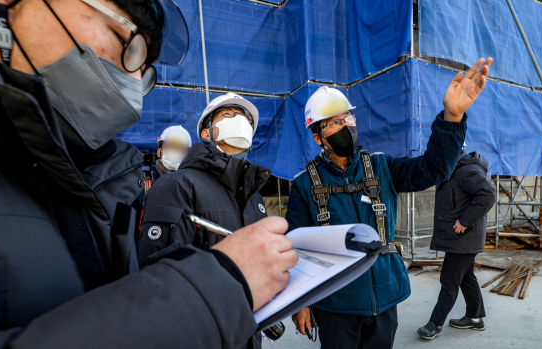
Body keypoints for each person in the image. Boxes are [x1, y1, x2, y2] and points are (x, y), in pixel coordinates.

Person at [0, 0, 297, 347]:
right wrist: (219, 287)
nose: (132, 82)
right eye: (126, 40)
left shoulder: (95, 182)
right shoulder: (173, 184)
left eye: (145, 71)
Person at [286, 57, 493, 349]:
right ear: (318, 137)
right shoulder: (304, 185)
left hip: (384, 299)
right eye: (334, 123)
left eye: (347, 118)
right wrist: (300, 303)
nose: (345, 125)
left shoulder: (382, 168)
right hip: (336, 305)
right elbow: (297, 250)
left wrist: (452, 117)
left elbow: (434, 169)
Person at [137, 92, 270, 348]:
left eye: (245, 118)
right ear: (207, 132)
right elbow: (161, 279)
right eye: (229, 114)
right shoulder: (177, 186)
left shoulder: (254, 196)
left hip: (247, 329)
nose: (240, 121)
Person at [417, 143, 496, 340]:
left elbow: (488, 194)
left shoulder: (467, 171)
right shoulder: (454, 170)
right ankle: (475, 318)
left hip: (464, 238)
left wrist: (464, 221)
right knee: (466, 278)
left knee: (449, 281)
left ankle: (434, 324)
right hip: (462, 238)